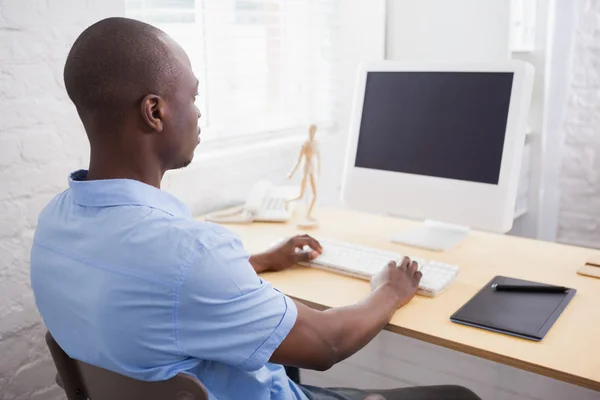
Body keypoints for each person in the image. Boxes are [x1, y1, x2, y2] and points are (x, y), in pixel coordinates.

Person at [29, 17, 481, 400]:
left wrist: (259, 261)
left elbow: (147, 292)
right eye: (194, 97)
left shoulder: (55, 224)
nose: (199, 113)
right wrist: (391, 289)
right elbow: (327, 344)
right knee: (460, 396)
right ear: (155, 112)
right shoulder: (190, 254)